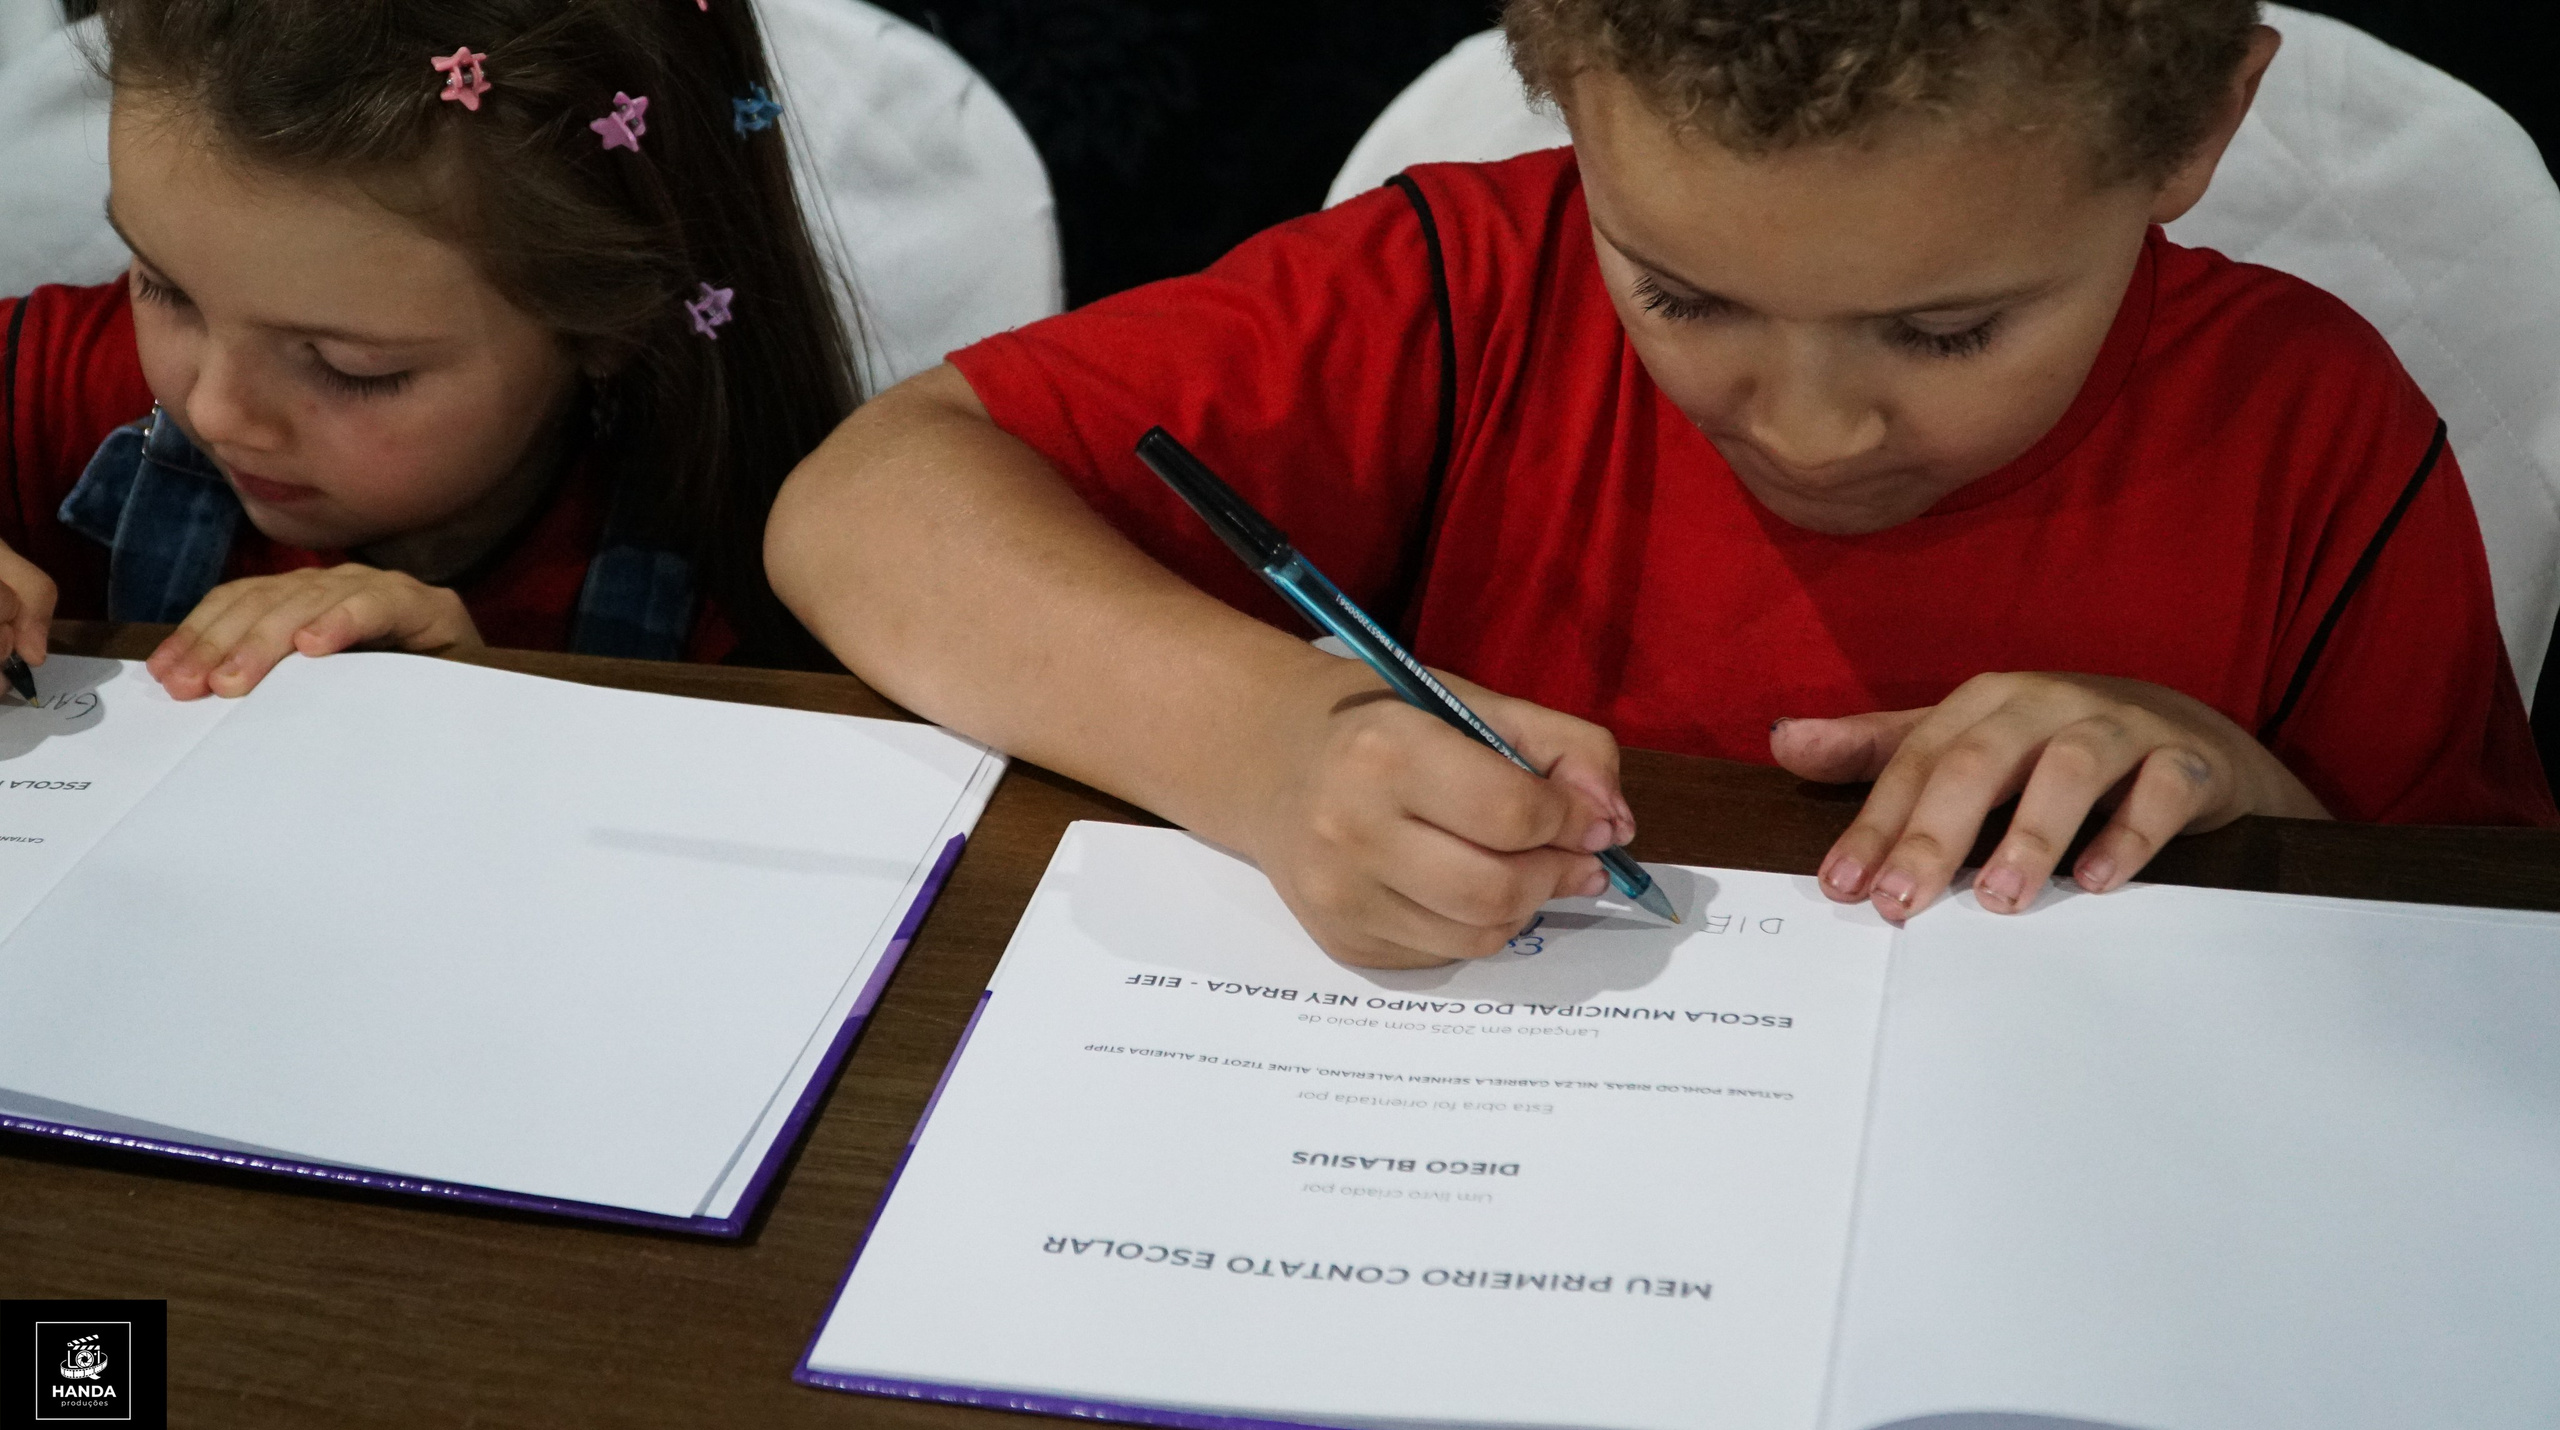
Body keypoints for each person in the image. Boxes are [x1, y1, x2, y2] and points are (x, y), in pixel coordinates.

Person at [766, 0, 2558, 967]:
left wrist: (2230, 784)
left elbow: (2475, 934)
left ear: (2200, 129)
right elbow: (865, 502)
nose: (1813, 427)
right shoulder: (1465, 293)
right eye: (1684, 297)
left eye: (1946, 331)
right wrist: (1268, 739)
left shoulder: (2315, 428)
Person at [0, 0, 858, 700]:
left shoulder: (730, 595)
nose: (218, 410)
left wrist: (484, 725)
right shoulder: (59, 385)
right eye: (163, 288)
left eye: (351, 368)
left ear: (609, 323)